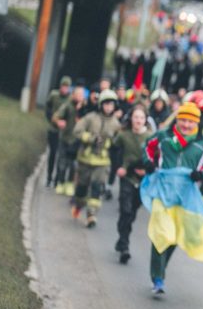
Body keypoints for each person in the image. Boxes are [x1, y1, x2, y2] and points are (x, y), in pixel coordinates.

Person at [142, 102, 203, 295]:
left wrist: (201, 175)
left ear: (197, 123)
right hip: (163, 190)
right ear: (177, 119)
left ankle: (161, 269)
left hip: (186, 195)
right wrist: (149, 163)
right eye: (182, 120)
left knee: (175, 236)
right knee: (161, 233)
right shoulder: (164, 136)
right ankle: (158, 278)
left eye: (190, 122)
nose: (186, 125)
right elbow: (148, 148)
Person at [71, 89, 122, 228]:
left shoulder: (116, 124)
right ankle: (79, 205)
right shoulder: (90, 118)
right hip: (85, 159)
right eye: (106, 104)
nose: (108, 107)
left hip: (102, 161)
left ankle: (91, 215)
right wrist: (91, 139)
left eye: (111, 105)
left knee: (96, 187)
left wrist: (111, 142)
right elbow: (77, 131)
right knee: (81, 188)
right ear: (101, 105)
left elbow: (119, 142)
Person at [112, 104, 153, 263]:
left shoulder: (150, 137)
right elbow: (114, 150)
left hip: (143, 181)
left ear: (145, 120)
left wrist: (147, 170)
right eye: (136, 117)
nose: (138, 120)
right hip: (127, 177)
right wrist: (118, 167)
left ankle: (122, 237)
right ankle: (124, 246)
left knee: (132, 213)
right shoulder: (124, 135)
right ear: (131, 118)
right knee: (126, 209)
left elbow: (156, 157)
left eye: (142, 118)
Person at [51, 82, 87, 196]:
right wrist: (58, 122)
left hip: (77, 141)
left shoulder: (85, 108)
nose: (80, 96)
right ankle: (60, 183)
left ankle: (70, 184)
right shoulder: (67, 105)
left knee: (74, 165)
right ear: (73, 95)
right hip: (65, 139)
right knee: (62, 163)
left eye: (82, 94)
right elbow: (55, 116)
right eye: (78, 94)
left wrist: (81, 110)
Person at [44, 76, 71, 187]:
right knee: (53, 153)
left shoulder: (70, 99)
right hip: (54, 129)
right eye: (63, 86)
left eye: (66, 87)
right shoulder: (54, 95)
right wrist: (52, 120)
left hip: (65, 131)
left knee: (62, 156)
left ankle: (57, 179)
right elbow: (48, 108)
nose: (64, 89)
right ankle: (49, 176)